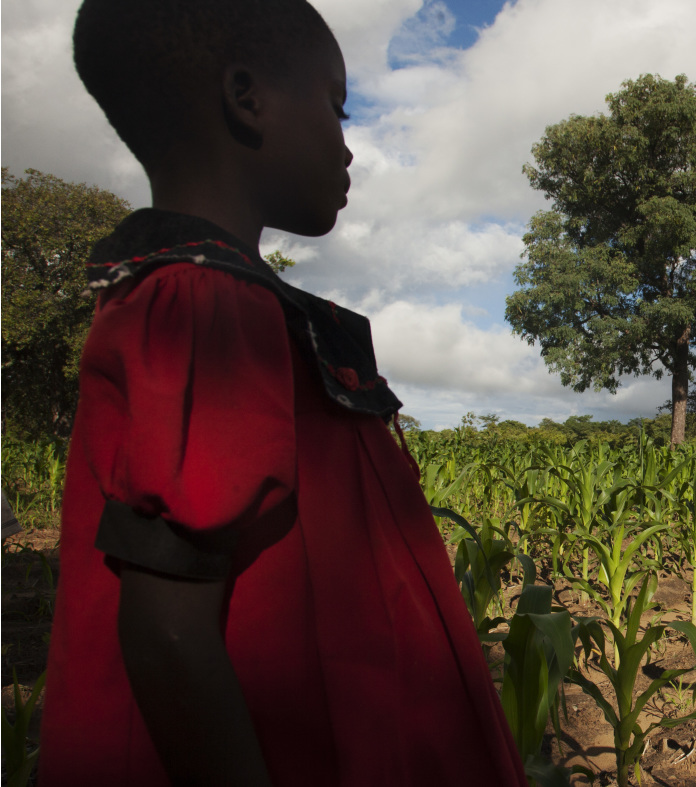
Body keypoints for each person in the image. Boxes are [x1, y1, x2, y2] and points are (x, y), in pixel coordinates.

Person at [41, 1, 528, 784]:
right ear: (247, 98)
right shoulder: (205, 305)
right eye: (337, 108)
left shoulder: (226, 299)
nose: (347, 145)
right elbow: (169, 630)